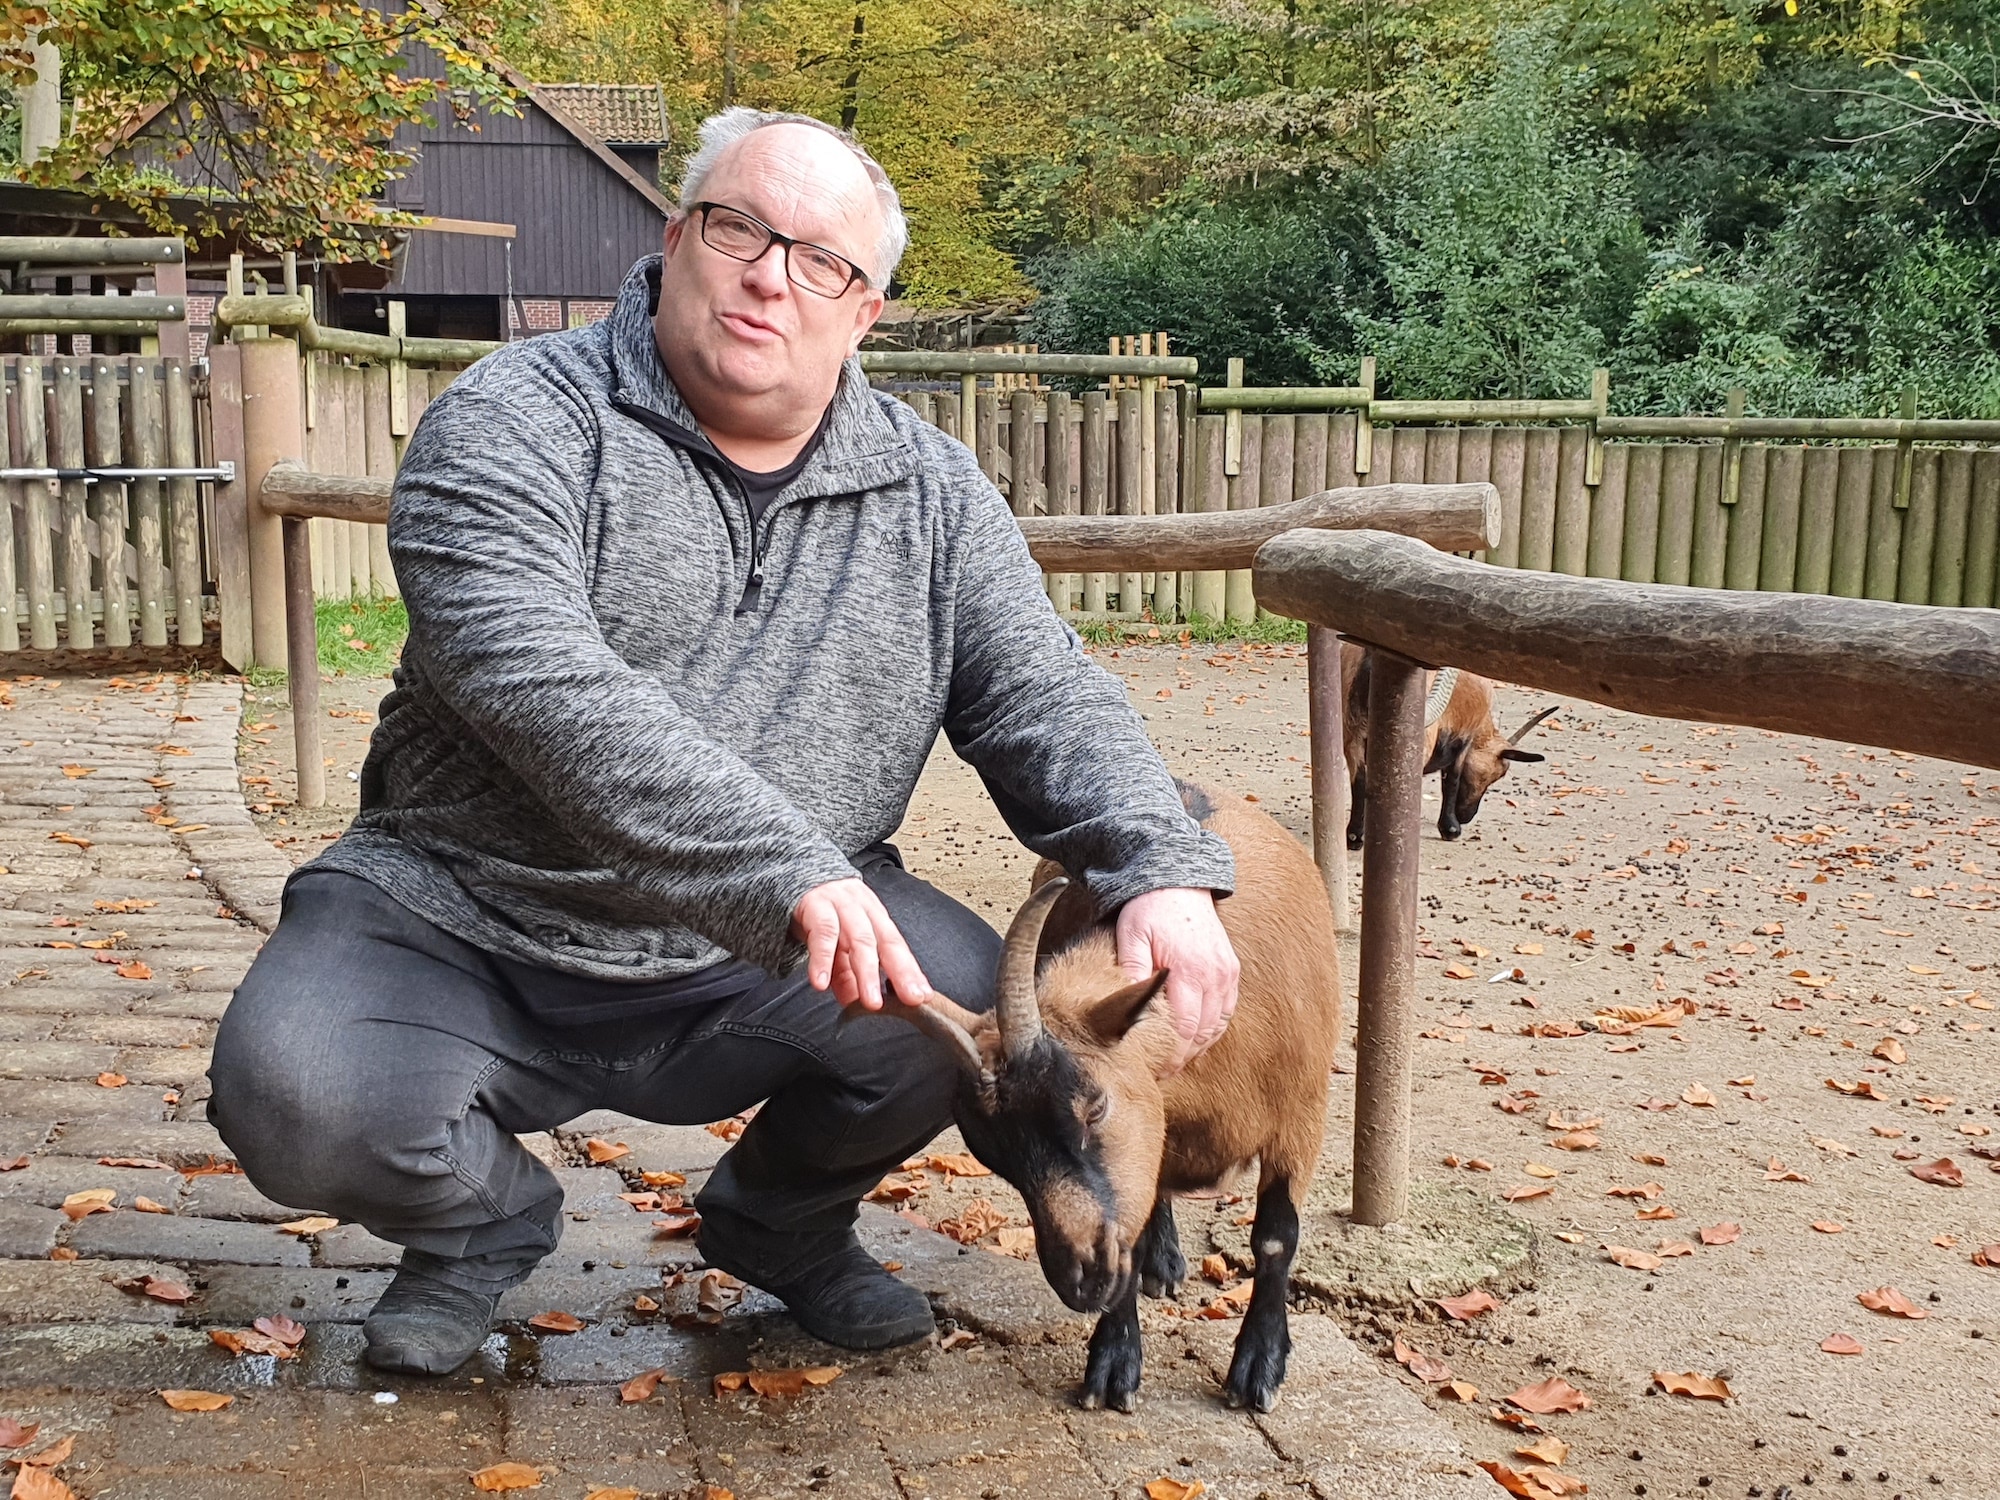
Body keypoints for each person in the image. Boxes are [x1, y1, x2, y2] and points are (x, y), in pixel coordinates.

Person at [208, 108, 1241, 1376]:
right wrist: (786, 868)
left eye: (824, 261)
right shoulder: (511, 421)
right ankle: (479, 1227)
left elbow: (1041, 691)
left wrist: (1158, 866)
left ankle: (780, 1223)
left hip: (764, 958)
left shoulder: (933, 496)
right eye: (739, 226)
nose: (770, 275)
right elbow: (532, 677)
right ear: (675, 236)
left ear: (864, 311)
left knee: (972, 1019)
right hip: (466, 917)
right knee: (291, 1093)